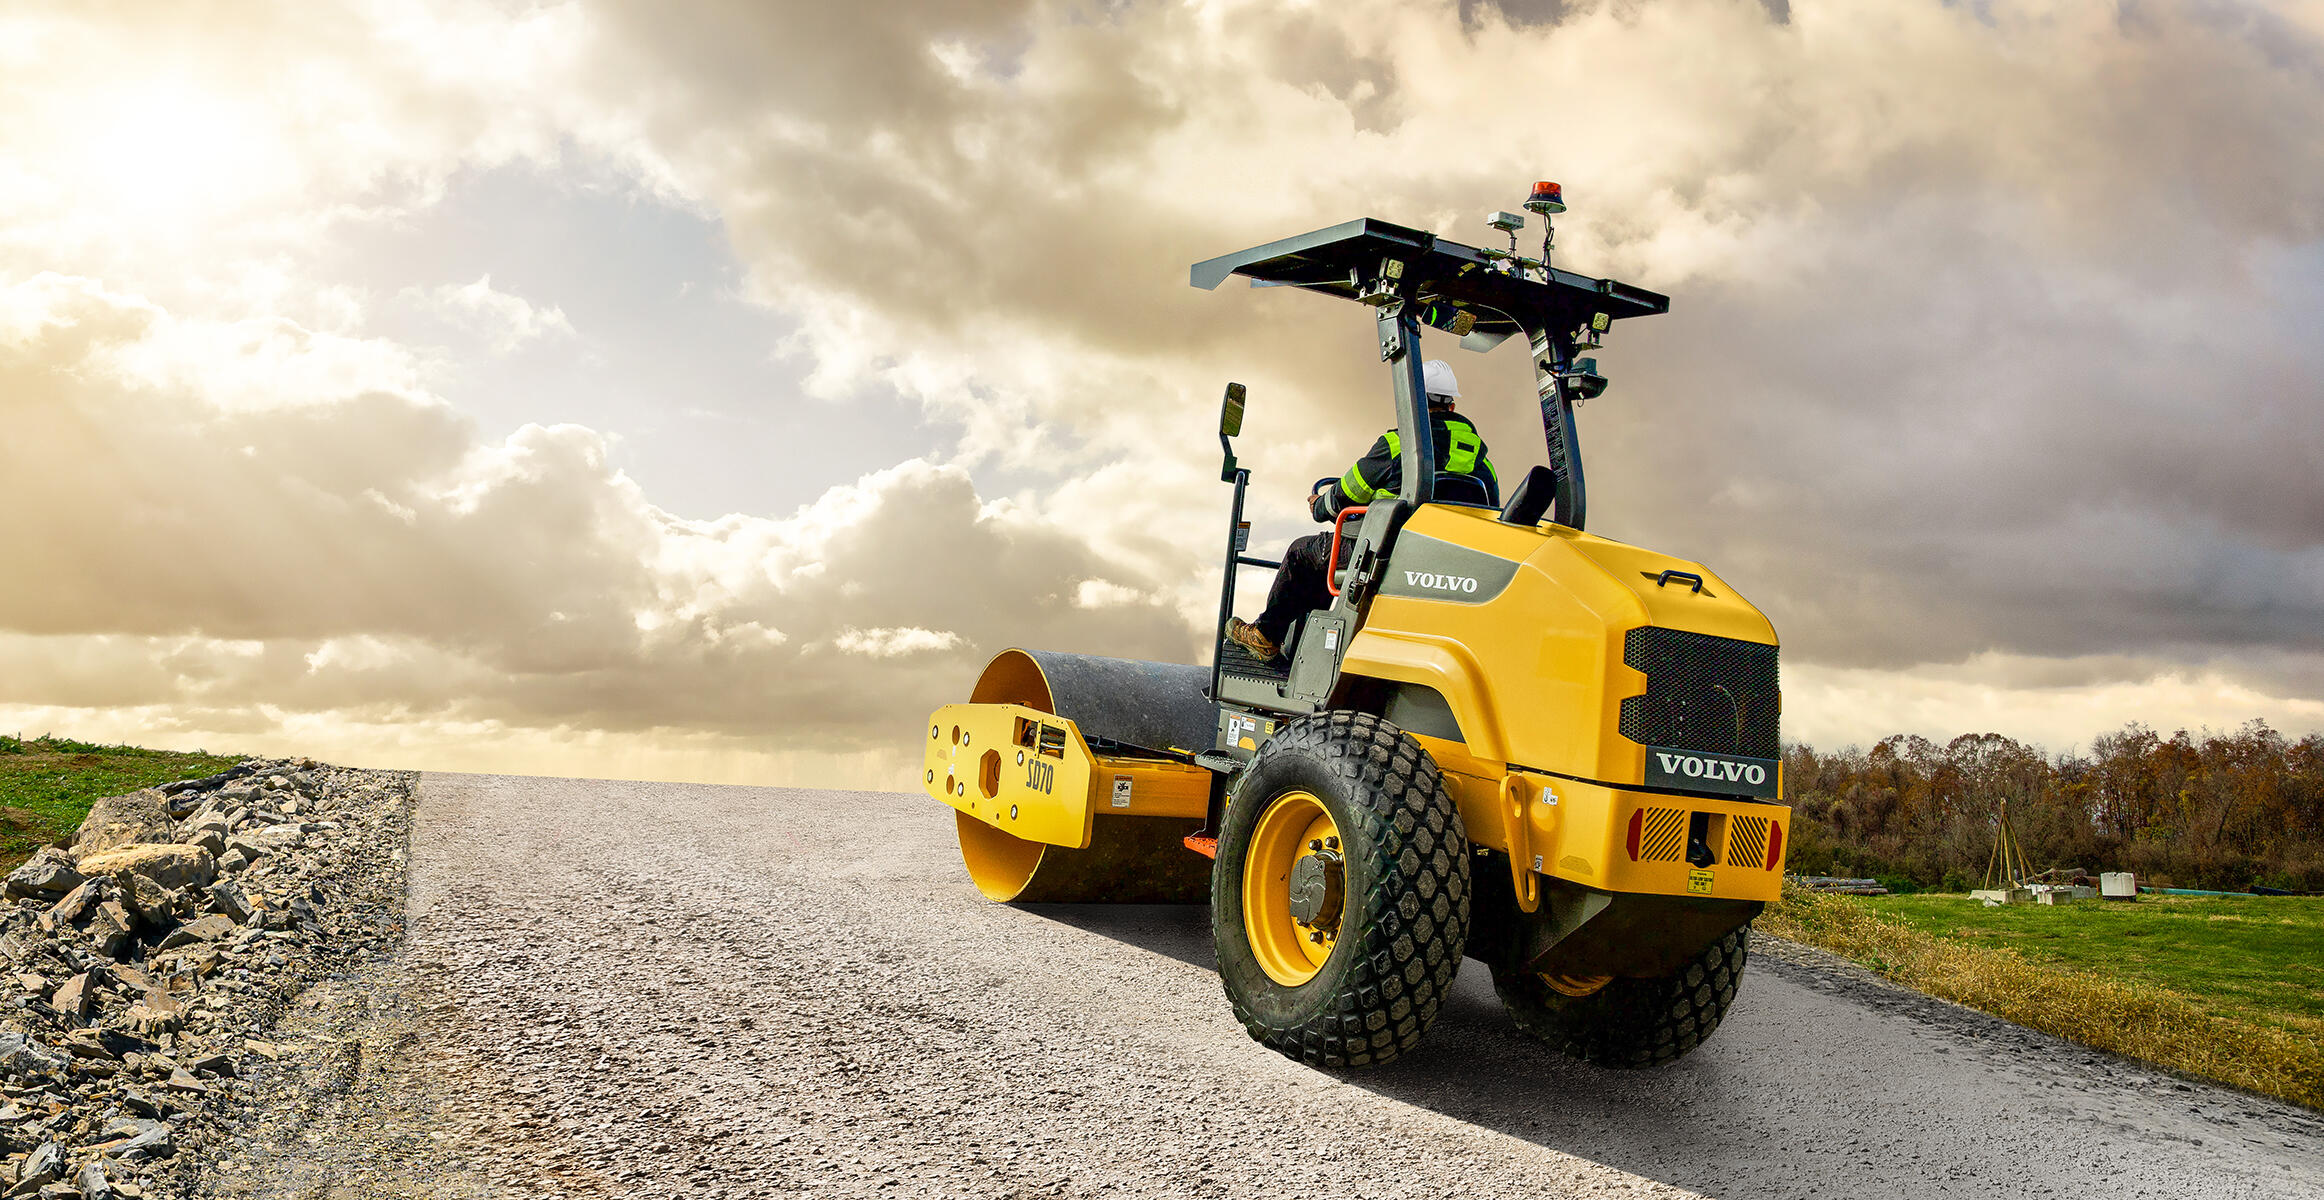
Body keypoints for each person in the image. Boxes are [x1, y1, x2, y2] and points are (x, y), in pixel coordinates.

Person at [1225, 359, 1498, 661]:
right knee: (1323, 560)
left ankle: (1266, 635)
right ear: (1450, 407)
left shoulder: (1398, 445)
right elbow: (1490, 510)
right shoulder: (1479, 458)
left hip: (1381, 555)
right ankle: (1308, 649)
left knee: (1302, 553)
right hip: (1441, 568)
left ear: (1414, 402)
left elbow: (1344, 495)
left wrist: (1320, 505)